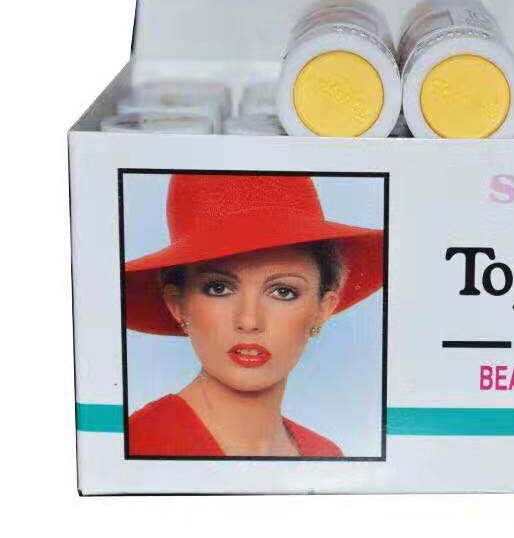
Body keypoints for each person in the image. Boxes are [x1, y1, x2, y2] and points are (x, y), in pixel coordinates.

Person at [124, 173, 383, 458]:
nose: (249, 321)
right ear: (177, 304)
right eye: (219, 288)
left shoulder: (326, 456)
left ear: (323, 309)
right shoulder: (137, 443)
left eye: (283, 292)